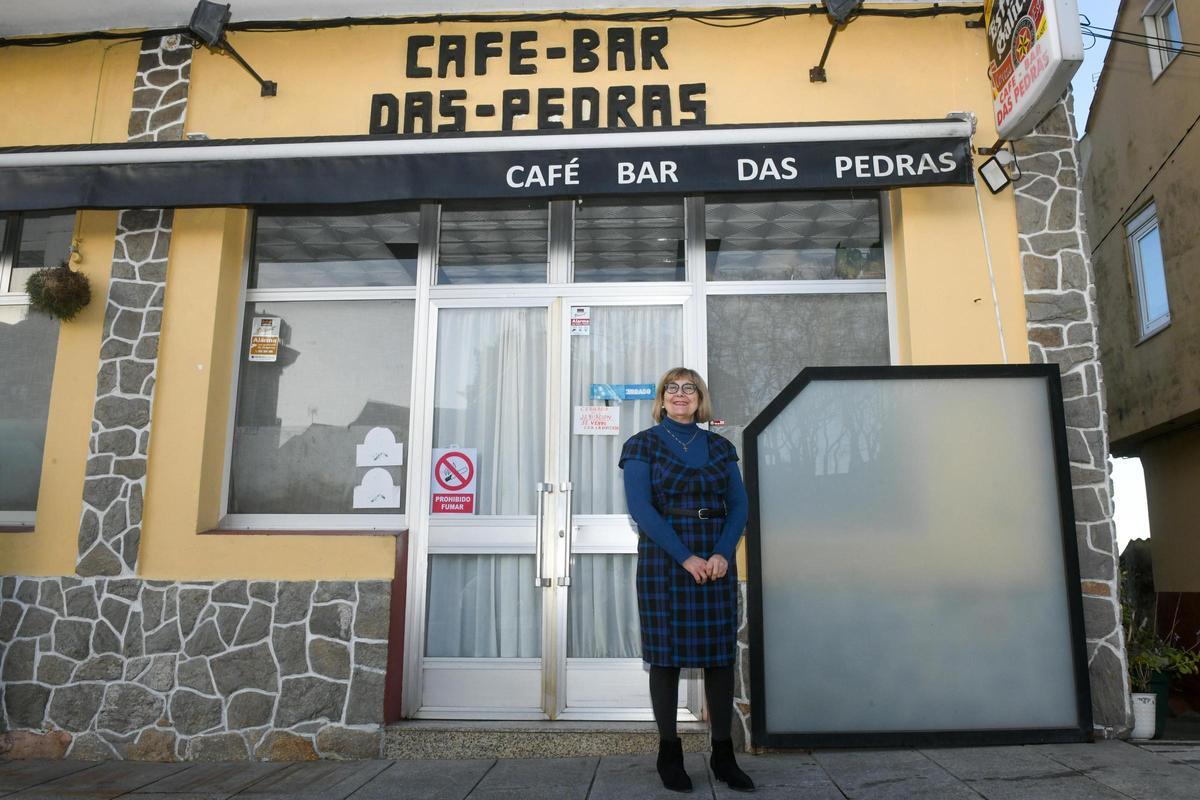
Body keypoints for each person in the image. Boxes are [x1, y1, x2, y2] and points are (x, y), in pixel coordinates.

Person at [619, 366, 754, 793]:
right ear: (661, 399)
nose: (680, 395)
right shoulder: (641, 445)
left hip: (713, 557)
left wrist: (720, 553)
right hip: (666, 557)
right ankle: (669, 753)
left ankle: (723, 756)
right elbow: (641, 509)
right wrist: (685, 557)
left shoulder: (720, 447)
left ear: (700, 398)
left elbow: (739, 506)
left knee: (719, 657)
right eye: (672, 389)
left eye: (689, 388)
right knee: (666, 657)